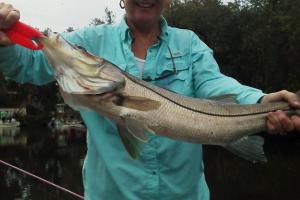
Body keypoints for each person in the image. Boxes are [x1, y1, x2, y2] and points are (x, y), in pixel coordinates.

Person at [0, 0, 300, 199]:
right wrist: (5, 42)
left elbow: (216, 85)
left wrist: (260, 101)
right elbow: (29, 64)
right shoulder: (88, 41)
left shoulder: (189, 43)